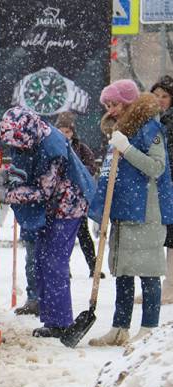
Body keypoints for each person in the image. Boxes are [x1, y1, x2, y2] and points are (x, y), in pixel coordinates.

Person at [0, 107, 95, 338]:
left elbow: (42, 191)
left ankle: (61, 322)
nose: (17, 149)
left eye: (19, 145)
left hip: (68, 206)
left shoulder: (53, 149)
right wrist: (9, 175)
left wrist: (7, 195)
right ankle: (50, 318)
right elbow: (26, 166)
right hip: (51, 209)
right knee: (40, 260)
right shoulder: (33, 135)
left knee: (54, 262)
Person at [89, 80, 173, 346]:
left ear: (128, 103)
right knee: (123, 271)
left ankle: (149, 327)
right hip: (124, 210)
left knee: (148, 271)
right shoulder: (119, 131)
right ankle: (119, 327)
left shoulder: (151, 128)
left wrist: (127, 148)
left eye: (114, 104)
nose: (111, 110)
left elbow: (157, 167)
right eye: (107, 106)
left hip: (147, 210)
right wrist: (103, 210)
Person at [55, 112, 103, 279]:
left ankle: (93, 266)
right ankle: (64, 267)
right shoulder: (53, 147)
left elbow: (91, 166)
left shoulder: (81, 148)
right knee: (62, 236)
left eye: (67, 131)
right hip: (59, 199)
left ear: (73, 132)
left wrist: (80, 174)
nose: (64, 135)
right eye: (61, 131)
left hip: (77, 199)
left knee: (83, 234)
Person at [151, 75, 173, 304]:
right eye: (156, 96)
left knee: (170, 235)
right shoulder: (155, 120)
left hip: (167, 181)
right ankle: (162, 287)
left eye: (165, 96)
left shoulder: (168, 122)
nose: (160, 100)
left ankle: (169, 287)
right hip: (162, 182)